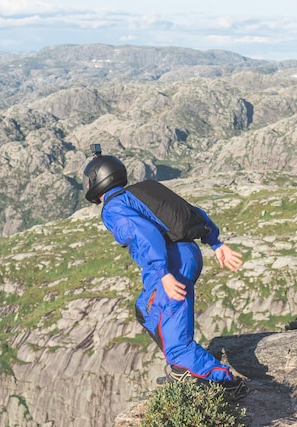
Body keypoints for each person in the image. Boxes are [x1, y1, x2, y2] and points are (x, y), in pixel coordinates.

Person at [82, 147, 249, 399]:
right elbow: (190, 212)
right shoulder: (140, 193)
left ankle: (225, 383)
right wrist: (215, 242)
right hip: (186, 254)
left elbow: (144, 235)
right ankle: (181, 369)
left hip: (170, 262)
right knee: (145, 310)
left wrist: (163, 273)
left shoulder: (113, 208)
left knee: (177, 344)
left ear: (97, 181)